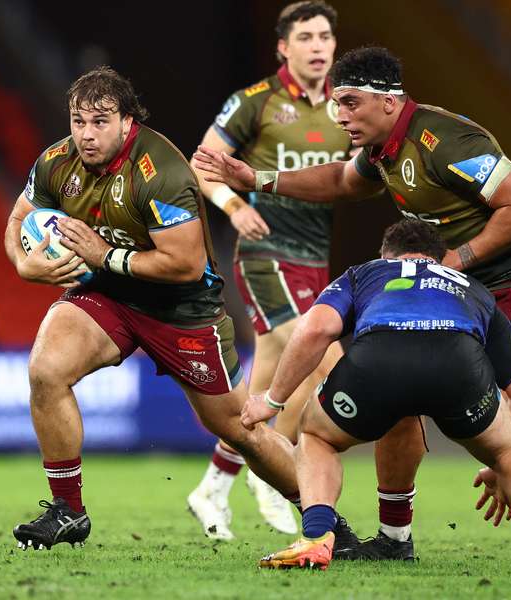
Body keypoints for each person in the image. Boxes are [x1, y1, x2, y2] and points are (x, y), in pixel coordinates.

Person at [193, 46, 511, 566]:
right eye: (336, 104)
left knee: (503, 419)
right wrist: (259, 180)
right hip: (464, 282)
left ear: (389, 102)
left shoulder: (446, 141)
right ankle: (395, 538)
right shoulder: (382, 150)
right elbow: (342, 180)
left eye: (350, 102)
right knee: (402, 394)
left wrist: (457, 260)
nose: (340, 115)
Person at [3, 66, 325, 551]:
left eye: (100, 122)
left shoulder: (161, 172)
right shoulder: (56, 162)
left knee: (240, 429)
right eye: (78, 121)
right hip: (109, 296)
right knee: (46, 370)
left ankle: (323, 517)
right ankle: (68, 510)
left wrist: (103, 255)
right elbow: (18, 218)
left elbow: (186, 265)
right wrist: (23, 263)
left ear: (126, 122)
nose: (86, 134)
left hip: (182, 309)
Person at [241, 219, 511, 577]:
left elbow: (315, 329)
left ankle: (318, 537)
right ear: (439, 258)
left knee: (317, 435)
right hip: (458, 365)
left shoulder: (365, 272)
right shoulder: (472, 287)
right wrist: (501, 462)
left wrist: (272, 400)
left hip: (380, 358)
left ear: (386, 254)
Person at [187, 0, 350, 540]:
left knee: (268, 383)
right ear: (283, 47)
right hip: (265, 255)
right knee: (323, 359)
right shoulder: (255, 102)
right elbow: (201, 164)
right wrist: (234, 207)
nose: (318, 46)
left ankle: (214, 485)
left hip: (316, 261)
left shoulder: (347, 107)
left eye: (324, 36)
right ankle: (278, 474)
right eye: (305, 37)